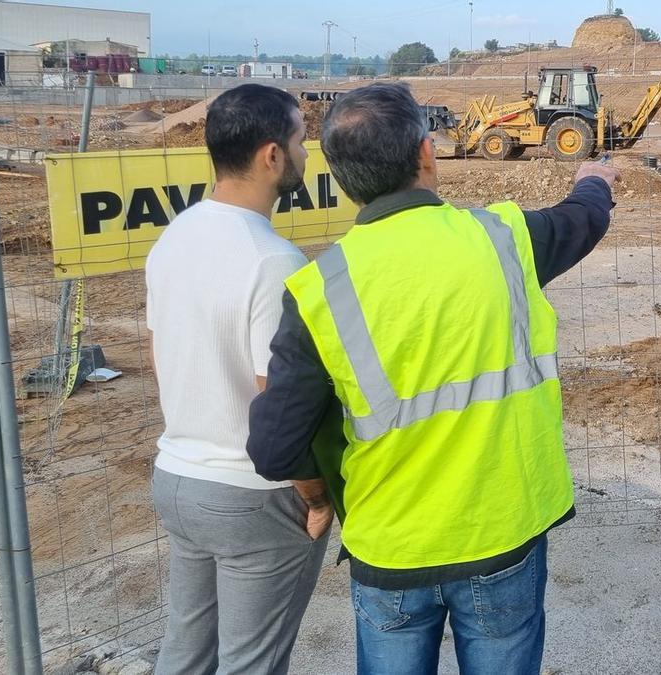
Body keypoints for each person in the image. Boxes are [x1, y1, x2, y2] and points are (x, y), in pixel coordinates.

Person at [246, 82, 618, 674]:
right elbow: (583, 219)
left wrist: (316, 495)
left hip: (392, 547)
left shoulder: (319, 290)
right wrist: (596, 178)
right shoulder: (502, 239)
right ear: (426, 153)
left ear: (341, 177)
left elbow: (274, 445)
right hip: (504, 531)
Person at [146, 84, 330, 674]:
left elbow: (160, 350)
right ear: (271, 155)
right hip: (251, 497)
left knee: (186, 652)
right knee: (252, 663)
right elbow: (276, 401)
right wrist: (315, 494)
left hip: (178, 477)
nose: (309, 152)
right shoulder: (271, 259)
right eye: (303, 139)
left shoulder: (175, 236)